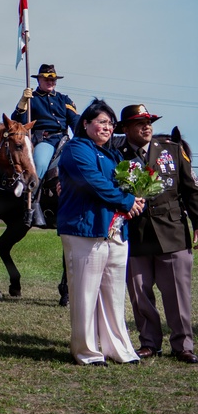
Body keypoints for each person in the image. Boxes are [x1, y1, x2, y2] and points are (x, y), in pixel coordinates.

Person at [57, 99, 144, 366]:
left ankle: (118, 349)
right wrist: (127, 202)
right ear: (86, 123)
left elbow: (128, 182)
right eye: (102, 122)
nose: (107, 127)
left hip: (116, 232)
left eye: (110, 123)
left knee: (114, 295)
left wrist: (136, 200)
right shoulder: (76, 149)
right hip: (86, 229)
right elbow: (92, 183)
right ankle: (86, 351)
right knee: (85, 294)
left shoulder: (113, 154)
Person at [114, 104, 198, 364]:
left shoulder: (172, 151)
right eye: (139, 122)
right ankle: (149, 342)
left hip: (171, 232)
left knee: (177, 293)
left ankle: (183, 344)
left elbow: (190, 190)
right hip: (135, 235)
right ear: (125, 128)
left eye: (149, 121)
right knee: (140, 294)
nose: (147, 126)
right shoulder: (117, 155)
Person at [13, 63, 79, 226]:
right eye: (47, 79)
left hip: (64, 139)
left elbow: (75, 120)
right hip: (45, 139)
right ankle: (32, 202)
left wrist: (83, 137)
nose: (51, 82)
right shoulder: (32, 99)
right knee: (40, 163)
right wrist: (22, 104)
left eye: (53, 79)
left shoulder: (64, 99)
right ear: (39, 80)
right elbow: (17, 121)